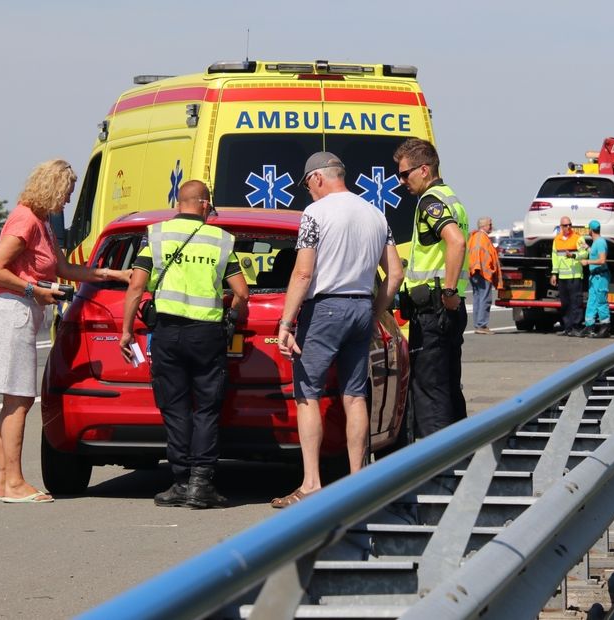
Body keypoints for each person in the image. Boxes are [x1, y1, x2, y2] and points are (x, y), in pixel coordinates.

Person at [0, 159, 131, 504]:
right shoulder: (26, 220)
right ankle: (13, 483)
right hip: (9, 312)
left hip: (19, 313)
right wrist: (35, 291)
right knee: (19, 399)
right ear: (53, 187)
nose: (68, 200)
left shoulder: (41, 222)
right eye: (68, 192)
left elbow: (61, 268)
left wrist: (111, 276)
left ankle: (5, 483)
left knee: (13, 401)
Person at [270, 152, 403, 509]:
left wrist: (286, 322)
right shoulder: (376, 214)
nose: (309, 194)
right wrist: (375, 312)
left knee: (307, 394)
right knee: (355, 395)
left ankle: (312, 483)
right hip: (361, 305)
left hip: (324, 308)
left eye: (308, 186)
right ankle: (358, 480)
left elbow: (302, 273)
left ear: (316, 179)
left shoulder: (316, 214)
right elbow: (395, 274)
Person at [119, 180, 249, 509]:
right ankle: (201, 484)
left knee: (175, 408)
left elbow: (136, 287)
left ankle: (179, 482)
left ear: (180, 203)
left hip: (167, 332)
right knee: (206, 408)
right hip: (206, 334)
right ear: (204, 204)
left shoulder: (157, 235)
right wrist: (232, 318)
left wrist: (126, 332)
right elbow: (242, 292)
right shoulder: (220, 240)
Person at [394, 138, 469, 438]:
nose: (401, 181)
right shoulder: (451, 196)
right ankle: (457, 459)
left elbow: (456, 241)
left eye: (405, 174)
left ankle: (435, 473)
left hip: (434, 311)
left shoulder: (430, 201)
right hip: (446, 310)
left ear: (424, 170)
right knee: (449, 388)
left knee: (429, 395)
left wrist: (448, 292)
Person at [550, 217, 587, 336]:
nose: (568, 227)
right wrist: (554, 274)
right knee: (565, 303)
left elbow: (585, 253)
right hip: (562, 277)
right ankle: (567, 327)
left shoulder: (578, 238)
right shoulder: (557, 240)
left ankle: (576, 327)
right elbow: (554, 258)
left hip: (574, 275)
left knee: (576, 302)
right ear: (561, 226)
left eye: (570, 225)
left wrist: (573, 255)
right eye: (565, 225)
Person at [467, 216, 502, 335]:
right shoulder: (481, 237)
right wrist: (483, 269)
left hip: (476, 271)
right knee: (484, 298)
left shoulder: (475, 236)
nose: (491, 226)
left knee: (478, 298)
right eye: (490, 224)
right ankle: (481, 325)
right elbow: (479, 254)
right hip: (482, 272)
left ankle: (478, 325)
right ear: (484, 226)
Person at [581, 219, 611, 338]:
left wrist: (587, 261)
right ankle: (589, 325)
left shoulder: (600, 242)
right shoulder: (596, 243)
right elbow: (594, 253)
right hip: (595, 277)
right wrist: (587, 248)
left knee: (601, 301)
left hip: (600, 276)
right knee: (592, 301)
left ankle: (605, 327)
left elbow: (602, 260)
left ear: (591, 230)